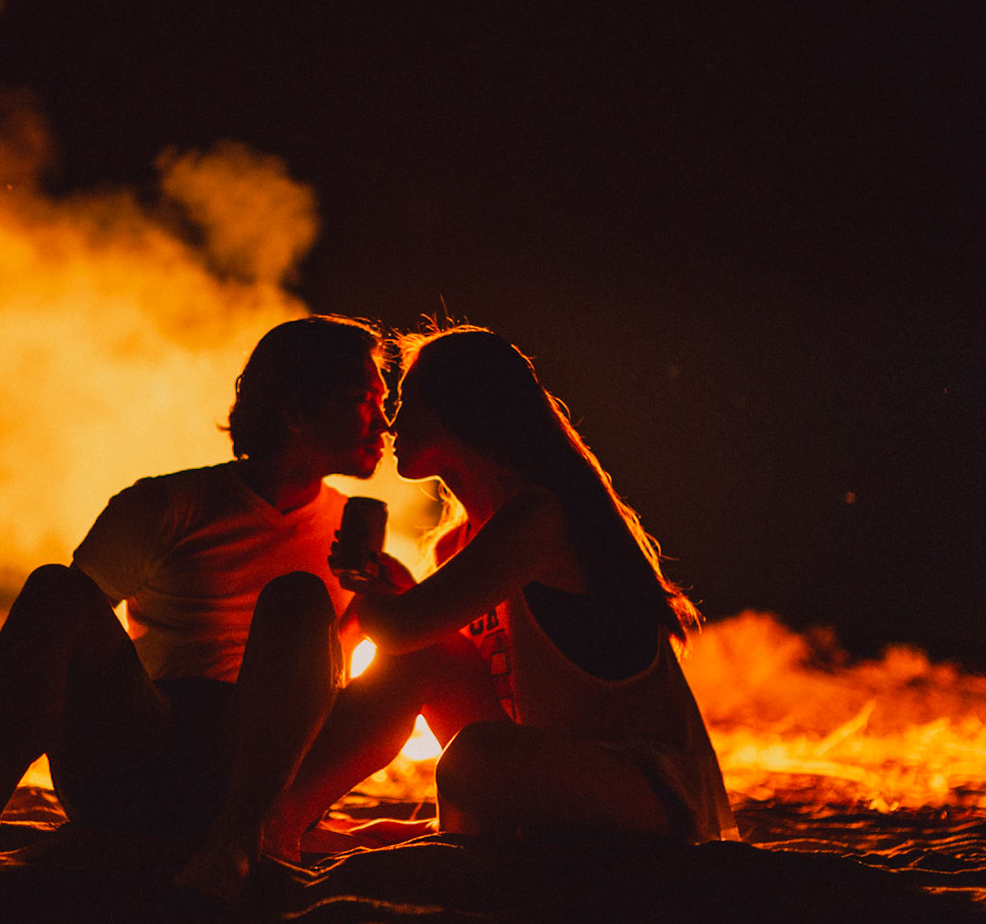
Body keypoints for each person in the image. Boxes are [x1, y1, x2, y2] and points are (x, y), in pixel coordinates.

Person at [0, 314, 390, 887]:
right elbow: (48, 636)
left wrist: (388, 595)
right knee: (57, 587)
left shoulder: (352, 532)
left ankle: (241, 841)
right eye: (362, 401)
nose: (384, 423)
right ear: (295, 412)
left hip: (272, 777)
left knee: (303, 598)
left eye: (384, 402)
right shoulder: (167, 505)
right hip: (145, 752)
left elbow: (353, 674)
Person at [249, 324, 739, 877]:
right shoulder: (454, 544)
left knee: (473, 755)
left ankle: (298, 827)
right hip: (543, 769)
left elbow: (399, 627)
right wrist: (393, 596)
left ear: (462, 411)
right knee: (428, 669)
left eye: (407, 403)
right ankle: (281, 822)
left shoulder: (539, 517)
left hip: (646, 790)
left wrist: (369, 592)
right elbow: (429, 648)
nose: (390, 423)